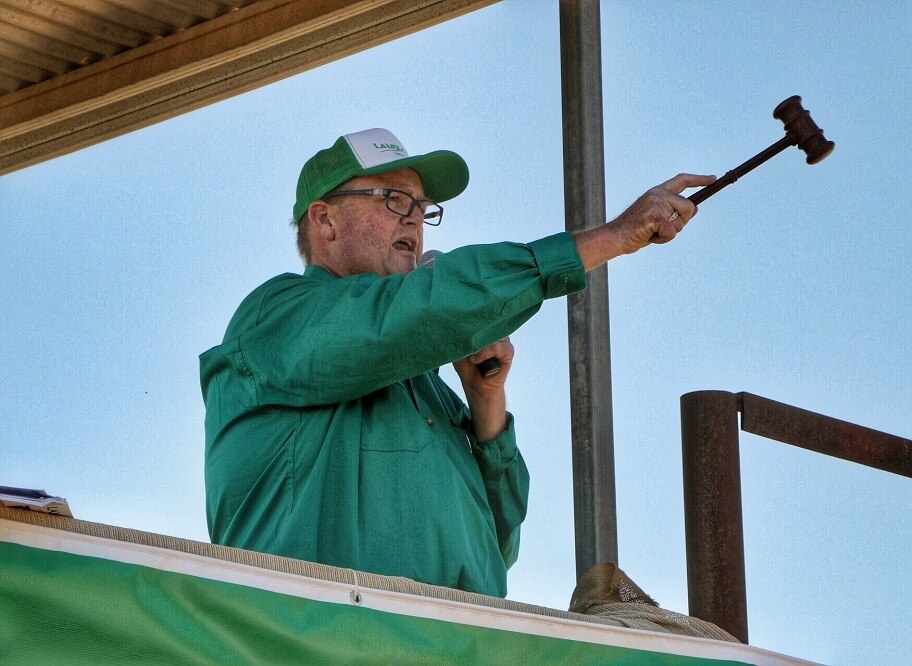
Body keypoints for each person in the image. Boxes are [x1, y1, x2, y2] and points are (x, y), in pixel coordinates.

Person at [200, 128, 714, 598]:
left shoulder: (429, 384)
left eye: (422, 208)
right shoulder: (275, 318)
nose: (414, 219)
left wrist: (486, 403)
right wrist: (609, 238)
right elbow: (417, 310)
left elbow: (499, 547)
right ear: (324, 219)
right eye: (393, 199)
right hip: (318, 644)